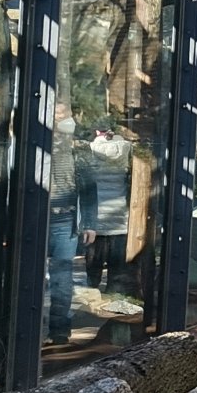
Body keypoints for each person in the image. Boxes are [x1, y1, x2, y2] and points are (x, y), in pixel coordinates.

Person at [82, 124, 134, 300]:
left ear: (97, 132)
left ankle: (92, 296)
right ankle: (114, 299)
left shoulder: (90, 150)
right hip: (120, 220)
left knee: (93, 266)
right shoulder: (126, 149)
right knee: (117, 268)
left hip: (96, 221)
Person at [46, 103, 81, 346]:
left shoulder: (77, 148)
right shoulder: (39, 145)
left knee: (62, 276)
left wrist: (89, 222)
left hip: (66, 219)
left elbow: (88, 187)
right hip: (38, 216)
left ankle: (59, 330)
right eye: (58, 115)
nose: (62, 120)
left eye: (65, 115)